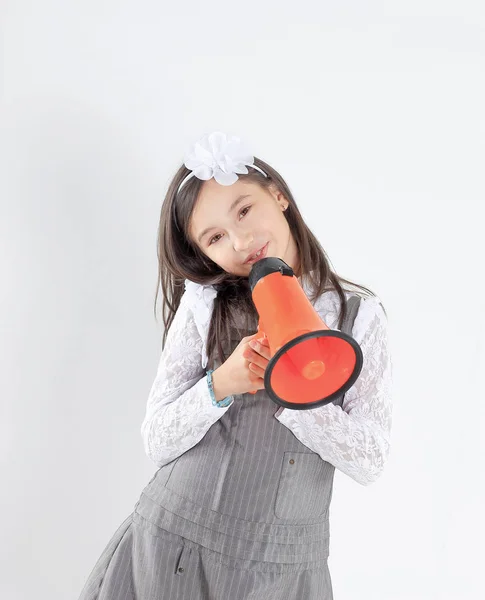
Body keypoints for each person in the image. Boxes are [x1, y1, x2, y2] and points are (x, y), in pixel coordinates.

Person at [78, 131, 393, 599]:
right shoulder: (205, 303)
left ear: (279, 195)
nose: (241, 240)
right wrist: (220, 383)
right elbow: (157, 440)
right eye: (215, 236)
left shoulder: (357, 317)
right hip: (177, 550)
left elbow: (371, 460)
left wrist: (298, 395)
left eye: (244, 210)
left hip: (285, 573)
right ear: (203, 253)